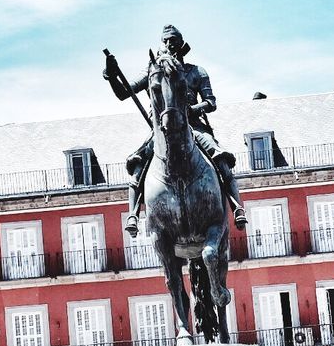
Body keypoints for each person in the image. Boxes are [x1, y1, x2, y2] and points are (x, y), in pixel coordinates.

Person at [105, 24, 248, 235]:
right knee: (137, 164)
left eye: (173, 40)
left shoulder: (196, 72)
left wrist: (192, 110)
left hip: (194, 127)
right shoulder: (154, 72)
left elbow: (211, 102)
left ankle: (237, 207)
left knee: (221, 159)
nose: (169, 44)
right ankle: (133, 213)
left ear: (181, 45)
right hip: (161, 131)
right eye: (165, 41)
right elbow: (123, 93)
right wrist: (111, 74)